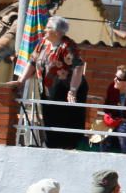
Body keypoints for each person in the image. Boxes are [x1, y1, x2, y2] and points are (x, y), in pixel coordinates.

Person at [11, 16, 89, 150]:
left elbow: (78, 67)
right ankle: (53, 148)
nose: (44, 30)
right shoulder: (43, 43)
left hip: (68, 91)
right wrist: (21, 81)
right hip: (49, 90)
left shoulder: (68, 46)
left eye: (48, 27)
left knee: (67, 122)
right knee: (50, 119)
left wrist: (73, 90)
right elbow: (32, 62)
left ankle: (69, 148)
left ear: (57, 32)